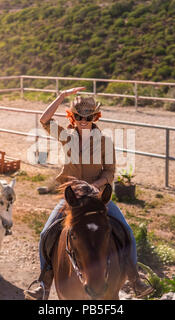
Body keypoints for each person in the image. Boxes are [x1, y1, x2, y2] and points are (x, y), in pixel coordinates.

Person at [24, 88, 153, 300]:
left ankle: (134, 278)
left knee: (126, 231)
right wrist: (62, 96)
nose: (83, 120)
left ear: (95, 117)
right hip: (72, 201)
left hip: (96, 199)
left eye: (88, 116)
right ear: (72, 117)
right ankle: (44, 282)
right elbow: (44, 119)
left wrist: (95, 185)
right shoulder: (66, 136)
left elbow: (110, 171)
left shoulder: (105, 142)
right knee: (46, 233)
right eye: (78, 116)